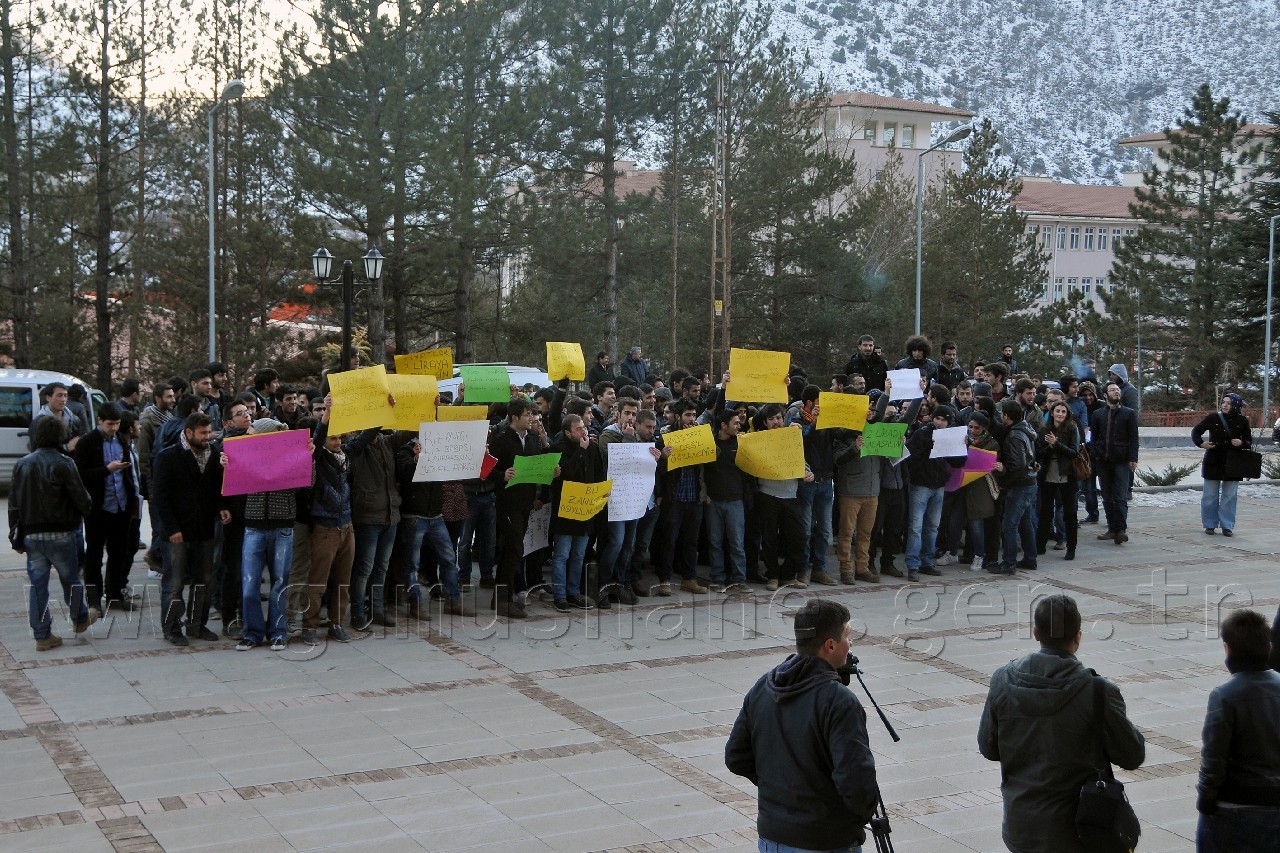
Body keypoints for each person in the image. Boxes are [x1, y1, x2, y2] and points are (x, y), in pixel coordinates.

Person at [978, 594, 1145, 853]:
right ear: (1078, 636)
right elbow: (1132, 755)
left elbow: (989, 747)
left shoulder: (1003, 679)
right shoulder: (1097, 691)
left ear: (1036, 633)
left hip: (1021, 826)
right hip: (1078, 830)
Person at [726, 599, 879, 852]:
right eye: (847, 636)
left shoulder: (764, 685)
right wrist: (847, 820)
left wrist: (782, 792)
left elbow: (736, 757)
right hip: (824, 840)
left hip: (772, 836)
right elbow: (856, 784)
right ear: (830, 645)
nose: (850, 644)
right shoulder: (840, 702)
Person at [9, 416, 96, 651]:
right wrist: (84, 513)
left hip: (32, 535)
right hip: (61, 533)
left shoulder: (23, 464)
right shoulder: (65, 462)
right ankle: (79, 619)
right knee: (71, 580)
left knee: (38, 586)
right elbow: (83, 498)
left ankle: (42, 635)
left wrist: (15, 535)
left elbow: (14, 503)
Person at [1196, 609, 1280, 852]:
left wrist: (1206, 799)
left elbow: (1214, 757)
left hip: (1236, 807)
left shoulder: (1225, 695)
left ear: (1228, 649)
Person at [151, 412, 227, 646]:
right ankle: (172, 627)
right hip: (176, 532)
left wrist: (222, 507)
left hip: (204, 529)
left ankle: (197, 624)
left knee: (204, 580)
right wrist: (172, 528)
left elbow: (217, 488)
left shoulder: (214, 455)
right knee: (174, 583)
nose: (208, 437)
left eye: (209, 432)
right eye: (203, 433)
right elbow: (160, 498)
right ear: (189, 432)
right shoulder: (168, 457)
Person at [73, 402, 141, 613]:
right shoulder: (87, 443)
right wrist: (106, 470)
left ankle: (114, 595)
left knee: (118, 553)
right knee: (93, 555)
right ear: (100, 421)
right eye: (110, 424)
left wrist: (132, 501)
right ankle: (94, 600)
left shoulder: (121, 439)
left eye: (117, 424)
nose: (113, 428)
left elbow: (129, 473)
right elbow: (80, 475)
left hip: (120, 506)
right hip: (98, 508)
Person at [1192, 392, 1252, 536]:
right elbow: (1196, 431)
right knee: (1209, 495)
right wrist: (1202, 444)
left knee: (1230, 496)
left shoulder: (1242, 420)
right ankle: (1209, 524)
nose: (1225, 405)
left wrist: (1241, 443)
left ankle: (1227, 526)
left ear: (1236, 406)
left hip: (1233, 463)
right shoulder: (1213, 418)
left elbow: (1249, 441)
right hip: (1214, 461)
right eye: (1224, 402)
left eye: (1229, 403)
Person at [1089, 382, 1139, 546]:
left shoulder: (1129, 413)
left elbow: (1134, 438)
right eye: (1112, 390)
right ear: (1105, 395)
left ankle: (1121, 530)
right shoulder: (1097, 414)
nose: (1116, 392)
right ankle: (1112, 528)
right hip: (1103, 460)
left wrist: (1133, 458)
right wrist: (1096, 453)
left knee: (1120, 497)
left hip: (1121, 461)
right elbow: (1093, 437)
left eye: (1118, 390)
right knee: (1107, 497)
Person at [1035, 401, 1081, 561]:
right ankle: (1040, 546)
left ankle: (1071, 548)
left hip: (1067, 475)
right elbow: (1039, 452)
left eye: (1063, 411)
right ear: (1052, 413)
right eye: (1057, 411)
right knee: (1045, 512)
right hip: (1048, 475)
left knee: (1070, 513)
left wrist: (1056, 444)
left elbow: (1074, 452)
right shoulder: (1044, 429)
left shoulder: (1072, 428)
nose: (1060, 414)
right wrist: (1049, 446)